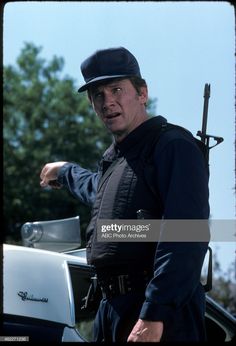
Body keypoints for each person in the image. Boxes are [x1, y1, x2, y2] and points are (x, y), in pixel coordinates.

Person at [40, 47, 210, 342]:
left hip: (156, 316)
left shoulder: (172, 146)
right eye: (98, 95)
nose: (108, 102)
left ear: (142, 93)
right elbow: (99, 192)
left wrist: (155, 313)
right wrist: (65, 171)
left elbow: (186, 233)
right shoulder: (117, 161)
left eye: (116, 89)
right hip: (111, 313)